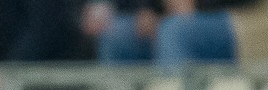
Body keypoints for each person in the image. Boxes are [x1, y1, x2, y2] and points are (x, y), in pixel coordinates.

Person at [88, 0, 252, 66]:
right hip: (169, 16)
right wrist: (148, 9)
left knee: (174, 32)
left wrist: (196, 5)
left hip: (234, 17)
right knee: (115, 35)